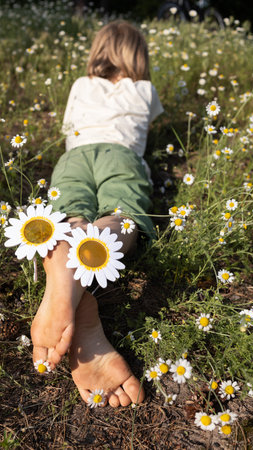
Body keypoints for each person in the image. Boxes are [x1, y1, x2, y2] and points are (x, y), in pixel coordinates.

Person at [31, 20, 164, 408]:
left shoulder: (80, 84)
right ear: (138, 56)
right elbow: (147, 125)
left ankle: (71, 240)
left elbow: (69, 125)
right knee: (122, 216)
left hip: (73, 158)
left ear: (97, 52)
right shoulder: (144, 89)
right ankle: (94, 248)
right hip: (120, 155)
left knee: (71, 213)